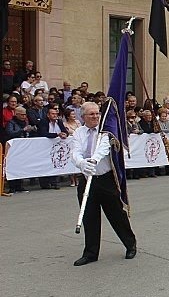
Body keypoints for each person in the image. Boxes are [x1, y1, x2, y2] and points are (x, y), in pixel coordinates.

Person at [71, 102, 137, 266]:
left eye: (97, 113)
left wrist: (94, 159)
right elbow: (75, 152)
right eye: (90, 114)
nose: (95, 116)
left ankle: (130, 244)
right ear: (83, 116)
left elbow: (103, 148)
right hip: (87, 179)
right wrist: (81, 163)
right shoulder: (78, 132)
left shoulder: (106, 131)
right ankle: (91, 253)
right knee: (90, 217)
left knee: (116, 215)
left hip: (106, 179)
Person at [37, 107, 69, 189]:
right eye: (53, 114)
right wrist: (57, 134)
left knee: (55, 162)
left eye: (56, 114)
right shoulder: (43, 122)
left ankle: (54, 182)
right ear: (48, 115)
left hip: (56, 147)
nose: (55, 115)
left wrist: (65, 134)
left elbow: (64, 131)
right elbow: (44, 133)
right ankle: (44, 183)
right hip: (44, 146)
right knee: (45, 164)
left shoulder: (59, 122)